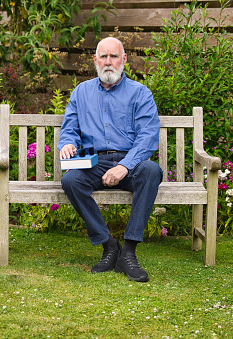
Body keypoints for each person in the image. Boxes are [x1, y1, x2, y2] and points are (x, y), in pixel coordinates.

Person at [57, 37, 163, 283]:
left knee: (151, 171)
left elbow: (147, 138)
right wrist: (68, 143)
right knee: (71, 180)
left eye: (113, 56)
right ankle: (108, 246)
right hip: (94, 163)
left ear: (124, 59)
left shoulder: (140, 93)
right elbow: (69, 129)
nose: (108, 62)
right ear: (95, 60)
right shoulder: (80, 92)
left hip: (130, 162)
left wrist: (124, 166)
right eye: (103, 56)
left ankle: (128, 253)